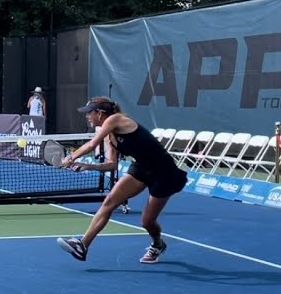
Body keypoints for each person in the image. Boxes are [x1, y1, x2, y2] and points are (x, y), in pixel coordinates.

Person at [56, 97, 187, 264]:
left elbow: (90, 145)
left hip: (164, 172)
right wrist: (88, 166)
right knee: (110, 201)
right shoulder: (108, 135)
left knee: (147, 222)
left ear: (100, 113)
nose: (87, 117)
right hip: (142, 168)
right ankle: (83, 245)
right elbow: (112, 164)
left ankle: (157, 244)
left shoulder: (115, 119)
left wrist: (71, 157)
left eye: (89, 113)